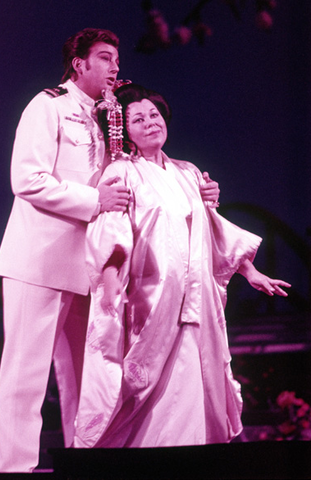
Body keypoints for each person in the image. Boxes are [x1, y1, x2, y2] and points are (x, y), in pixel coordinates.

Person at [74, 83, 291, 448]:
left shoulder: (189, 172)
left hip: (196, 296)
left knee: (196, 374)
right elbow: (111, 228)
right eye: (138, 119)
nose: (150, 123)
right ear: (125, 132)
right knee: (147, 385)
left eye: (154, 115)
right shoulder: (121, 172)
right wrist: (111, 279)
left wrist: (250, 272)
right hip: (151, 295)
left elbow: (213, 228)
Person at [0, 28, 132, 473]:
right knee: (25, 374)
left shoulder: (109, 118)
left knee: (84, 377)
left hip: (89, 267)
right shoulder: (47, 105)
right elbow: (27, 180)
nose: (114, 67)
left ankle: (81, 463)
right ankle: (14, 468)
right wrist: (95, 202)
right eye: (105, 58)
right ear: (80, 63)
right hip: (40, 259)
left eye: (116, 59)